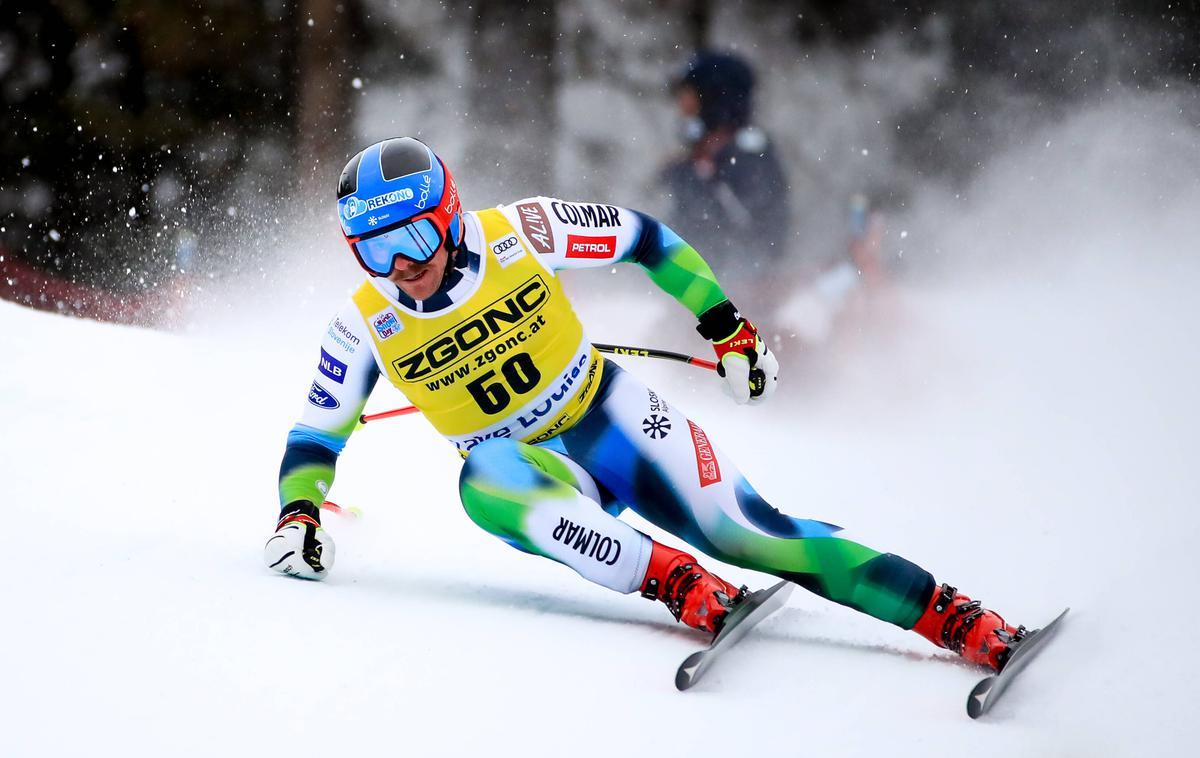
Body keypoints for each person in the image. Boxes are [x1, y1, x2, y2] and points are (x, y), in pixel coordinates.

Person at [265, 137, 1026, 671]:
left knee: (750, 533)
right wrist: (297, 515)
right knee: (483, 477)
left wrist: (728, 328)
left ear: (448, 214)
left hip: (612, 419)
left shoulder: (518, 233)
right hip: (539, 476)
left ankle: (957, 618)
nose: (401, 266)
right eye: (373, 250)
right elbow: (315, 436)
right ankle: (679, 584)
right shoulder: (365, 320)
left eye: (412, 238)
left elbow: (647, 241)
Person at [659, 51, 791, 278]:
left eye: (689, 96)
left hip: (736, 296)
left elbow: (754, 236)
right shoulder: (698, 160)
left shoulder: (747, 158)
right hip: (698, 291)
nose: (682, 106)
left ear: (712, 97)